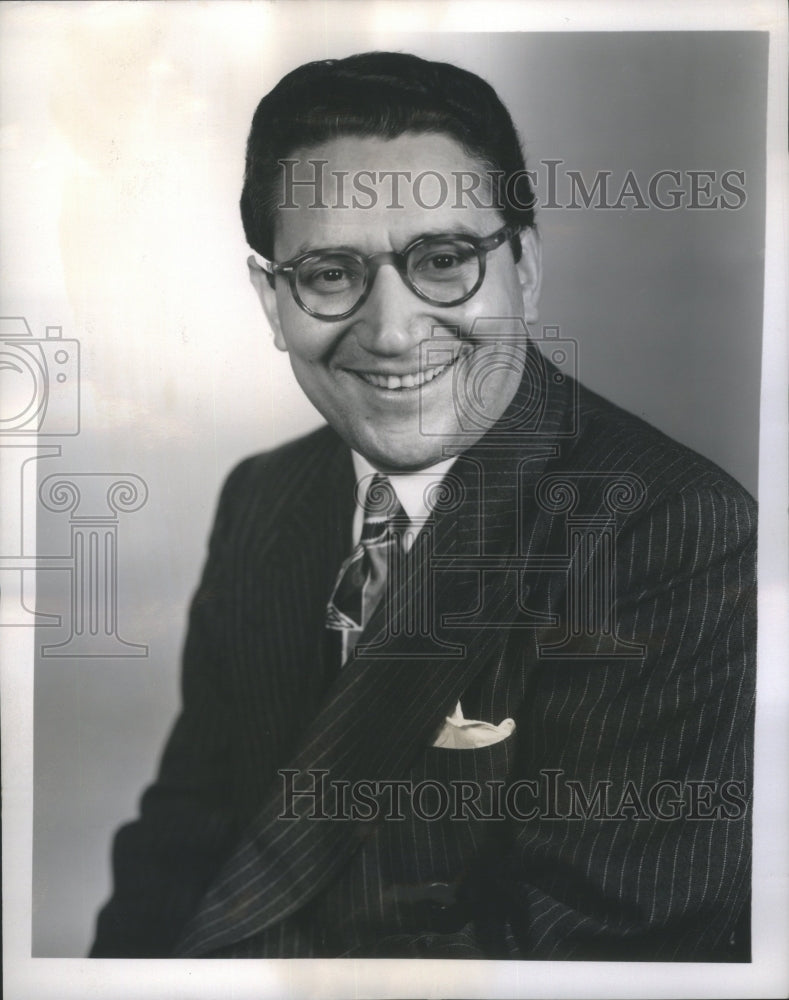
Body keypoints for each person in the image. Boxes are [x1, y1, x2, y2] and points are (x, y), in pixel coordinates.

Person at [90, 51, 756, 961]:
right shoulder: (263, 498)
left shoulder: (672, 531)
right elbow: (181, 847)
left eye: (442, 260)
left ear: (523, 267)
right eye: (329, 273)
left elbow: (599, 953)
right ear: (272, 302)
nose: (393, 330)